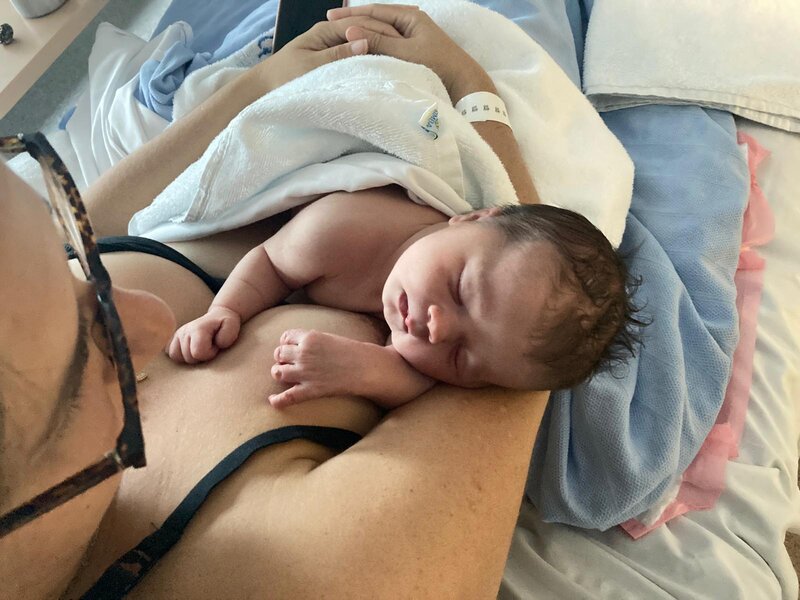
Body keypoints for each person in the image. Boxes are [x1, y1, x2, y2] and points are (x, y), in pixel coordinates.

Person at [0, 6, 560, 598]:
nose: (153, 320)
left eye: (77, 287)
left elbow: (68, 237)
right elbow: (527, 341)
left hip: (292, 112)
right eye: (84, 356)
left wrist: (261, 85)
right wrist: (474, 91)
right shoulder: (330, 574)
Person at [168, 192, 631, 409]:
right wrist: (224, 310)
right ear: (470, 217)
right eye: (459, 290)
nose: (437, 329)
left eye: (461, 358)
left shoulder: (455, 306)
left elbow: (418, 379)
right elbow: (271, 260)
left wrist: (368, 368)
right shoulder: (338, 232)